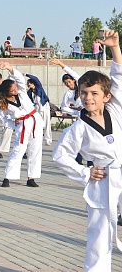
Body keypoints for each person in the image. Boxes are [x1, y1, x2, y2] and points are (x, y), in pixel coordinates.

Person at [52, 30, 122, 272]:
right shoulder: (78, 128)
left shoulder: (115, 110)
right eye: (83, 93)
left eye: (94, 93)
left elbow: (118, 76)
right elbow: (60, 155)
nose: (88, 98)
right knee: (100, 239)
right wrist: (85, 172)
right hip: (102, 183)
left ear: (106, 96)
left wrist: (114, 48)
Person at [0, 62, 43, 188]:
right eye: (13, 90)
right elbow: (2, 119)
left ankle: (31, 177)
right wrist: (13, 122)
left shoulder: (22, 92)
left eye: (15, 87)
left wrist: (9, 67)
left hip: (35, 120)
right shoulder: (3, 104)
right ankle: (7, 177)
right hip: (22, 125)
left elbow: (20, 79)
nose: (16, 90)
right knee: (18, 150)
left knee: (35, 149)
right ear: (8, 92)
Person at [26, 73, 52, 146]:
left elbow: (36, 78)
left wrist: (27, 75)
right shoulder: (29, 92)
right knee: (38, 124)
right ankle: (38, 138)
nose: (28, 85)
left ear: (33, 83)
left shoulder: (39, 88)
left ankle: (48, 139)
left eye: (29, 83)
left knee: (47, 123)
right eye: (27, 84)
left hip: (44, 107)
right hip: (36, 108)